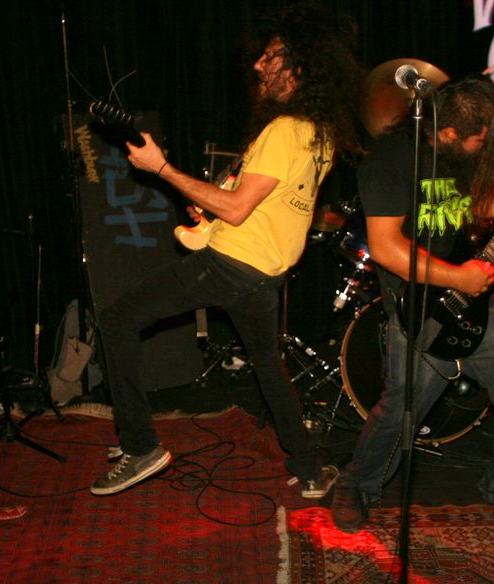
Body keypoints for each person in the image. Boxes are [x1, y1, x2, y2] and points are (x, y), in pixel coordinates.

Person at [89, 5, 363, 497]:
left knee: (116, 320)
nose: (259, 64)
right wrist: (208, 209)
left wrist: (161, 168)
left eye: (271, 56)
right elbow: (258, 202)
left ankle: (140, 446)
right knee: (269, 368)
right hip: (262, 274)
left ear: (298, 68)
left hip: (232, 265)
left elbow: (236, 210)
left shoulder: (284, 130)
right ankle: (309, 470)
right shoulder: (317, 134)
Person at [331, 77, 494, 532]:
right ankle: (357, 484)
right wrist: (458, 277)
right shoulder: (390, 160)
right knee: (404, 405)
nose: (485, 147)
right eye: (480, 139)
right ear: (451, 132)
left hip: (480, 293)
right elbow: (385, 247)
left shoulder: (458, 157)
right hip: (421, 302)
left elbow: (476, 204)